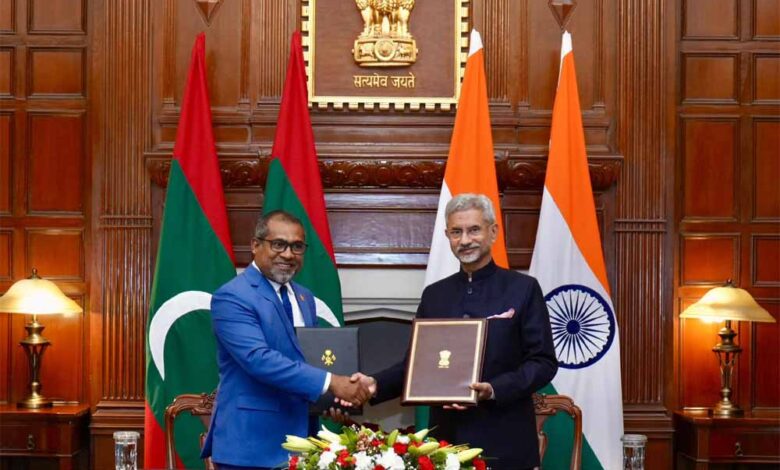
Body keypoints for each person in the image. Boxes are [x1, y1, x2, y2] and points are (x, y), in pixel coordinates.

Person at [350, 193, 558, 469]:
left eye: (474, 230)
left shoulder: (523, 288)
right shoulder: (435, 295)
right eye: (456, 232)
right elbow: (415, 366)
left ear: (493, 232)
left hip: (506, 444)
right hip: (445, 447)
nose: (465, 240)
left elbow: (543, 362)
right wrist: (374, 384)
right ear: (447, 236)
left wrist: (493, 389)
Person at [201, 210, 372, 470]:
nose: (288, 254)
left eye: (297, 246)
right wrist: (332, 383)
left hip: (302, 443)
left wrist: (331, 401)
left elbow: (307, 359)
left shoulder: (304, 297)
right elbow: (258, 359)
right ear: (255, 245)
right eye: (278, 244)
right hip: (251, 446)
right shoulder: (233, 296)